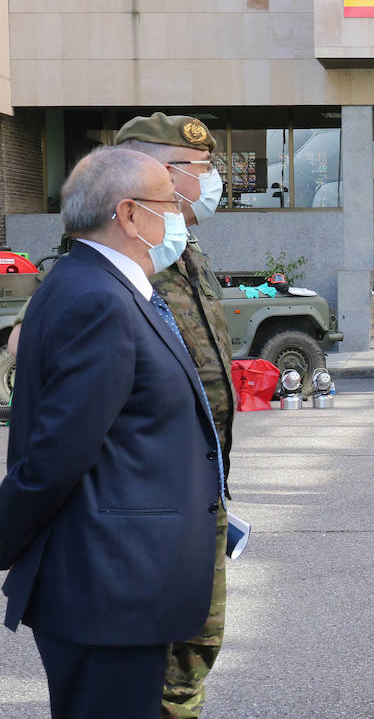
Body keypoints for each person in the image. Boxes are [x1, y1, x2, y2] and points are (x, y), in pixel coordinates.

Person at [0, 147, 222, 718]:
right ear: (127, 215)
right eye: (168, 202)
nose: (178, 214)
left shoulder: (92, 282)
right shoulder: (100, 299)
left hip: (116, 583)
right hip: (111, 588)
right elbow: (58, 452)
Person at [115, 113, 237, 719]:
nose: (211, 181)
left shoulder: (185, 254)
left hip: (200, 491)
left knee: (194, 651)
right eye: (200, 169)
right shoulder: (119, 267)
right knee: (152, 665)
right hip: (150, 508)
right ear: (152, 175)